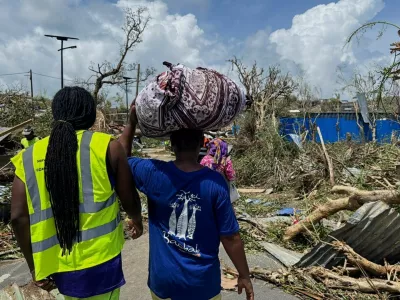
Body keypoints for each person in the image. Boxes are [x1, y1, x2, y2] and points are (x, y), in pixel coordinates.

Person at [10, 87, 143, 300]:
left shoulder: (27, 157)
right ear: (91, 115)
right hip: (100, 260)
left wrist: (35, 268)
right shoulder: (106, 147)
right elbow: (129, 198)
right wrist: (136, 220)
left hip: (57, 264)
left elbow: (18, 218)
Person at [119, 105, 254, 300]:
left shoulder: (153, 173)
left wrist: (131, 122)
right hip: (202, 284)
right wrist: (244, 275)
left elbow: (121, 161)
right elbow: (231, 238)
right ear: (201, 144)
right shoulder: (214, 183)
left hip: (163, 282)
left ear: (171, 144)